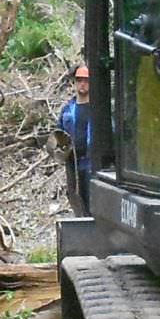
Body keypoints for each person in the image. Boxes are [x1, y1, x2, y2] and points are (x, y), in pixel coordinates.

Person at [57, 62, 93, 213]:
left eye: (86, 80)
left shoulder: (99, 109)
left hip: (93, 164)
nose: (82, 84)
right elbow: (58, 135)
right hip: (72, 165)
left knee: (94, 203)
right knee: (76, 200)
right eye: (79, 80)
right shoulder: (67, 110)